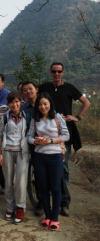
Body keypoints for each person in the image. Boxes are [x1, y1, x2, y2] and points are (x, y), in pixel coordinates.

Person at [38, 62, 90, 216]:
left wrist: (77, 117)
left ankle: (62, 198)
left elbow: (86, 102)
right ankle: (44, 199)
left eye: (59, 71)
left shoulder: (69, 88)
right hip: (46, 131)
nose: (56, 74)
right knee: (44, 167)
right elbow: (34, 99)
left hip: (64, 131)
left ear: (63, 72)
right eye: (54, 71)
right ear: (50, 72)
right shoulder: (44, 87)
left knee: (63, 166)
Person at [27, 92, 70, 231]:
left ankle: (55, 217)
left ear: (50, 103)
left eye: (45, 103)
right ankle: (47, 215)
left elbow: (66, 135)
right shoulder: (35, 118)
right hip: (39, 157)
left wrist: (50, 141)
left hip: (55, 156)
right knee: (43, 188)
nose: (43, 106)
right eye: (40, 104)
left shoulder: (57, 117)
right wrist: (36, 141)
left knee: (56, 188)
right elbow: (28, 137)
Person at [0, 92, 30, 224]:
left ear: (21, 102)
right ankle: (10, 207)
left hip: (22, 152)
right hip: (7, 151)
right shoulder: (5, 117)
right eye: (12, 102)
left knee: (21, 182)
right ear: (8, 104)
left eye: (17, 101)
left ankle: (20, 208)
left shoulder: (27, 117)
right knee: (8, 181)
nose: (14, 104)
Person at [21, 81, 44, 216]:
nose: (28, 92)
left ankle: (42, 202)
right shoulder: (23, 108)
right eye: (25, 90)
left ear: (36, 89)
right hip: (27, 143)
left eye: (30, 89)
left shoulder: (44, 104)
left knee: (40, 174)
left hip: (43, 144)